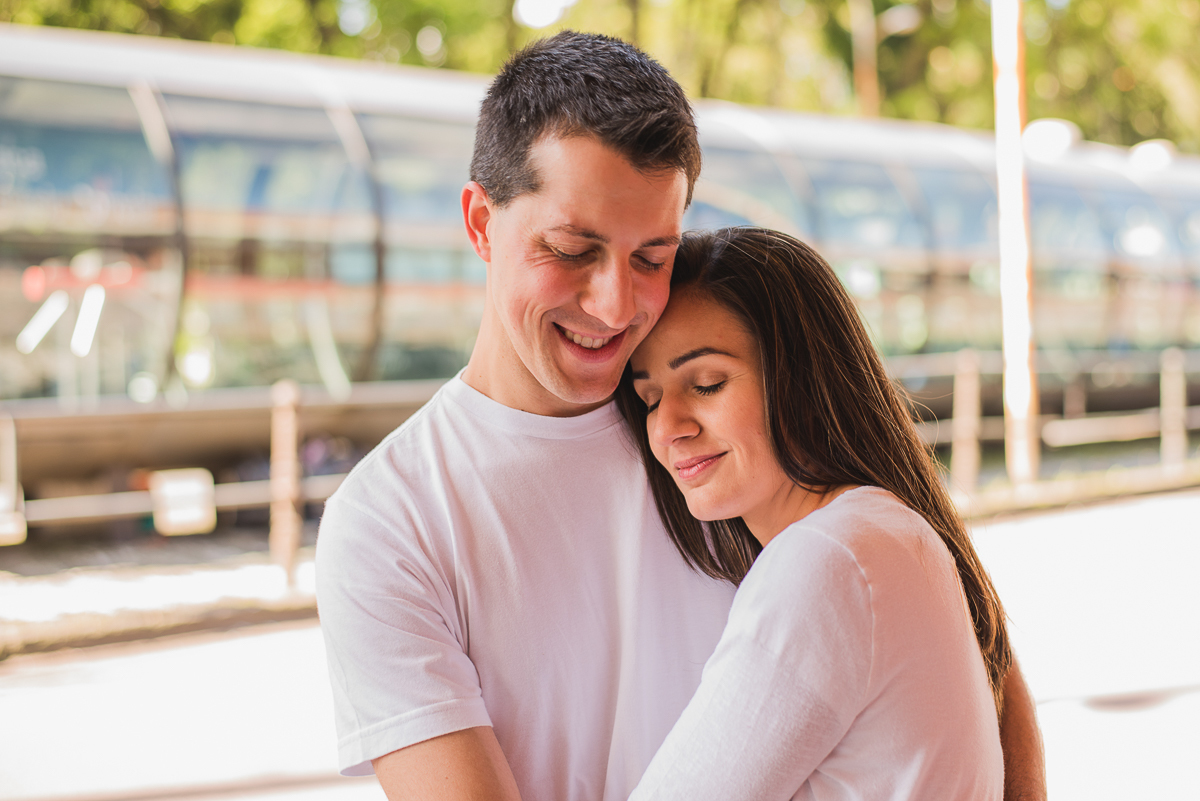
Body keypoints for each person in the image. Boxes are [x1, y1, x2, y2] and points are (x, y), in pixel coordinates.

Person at [315, 31, 1046, 801]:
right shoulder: (389, 521)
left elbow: (978, 652)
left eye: (652, 257)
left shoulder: (734, 429)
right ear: (479, 223)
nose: (615, 305)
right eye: (570, 250)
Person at [618, 227, 1008, 799]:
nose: (667, 426)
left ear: (800, 375)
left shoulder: (827, 558)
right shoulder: (888, 530)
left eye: (707, 384)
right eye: (650, 398)